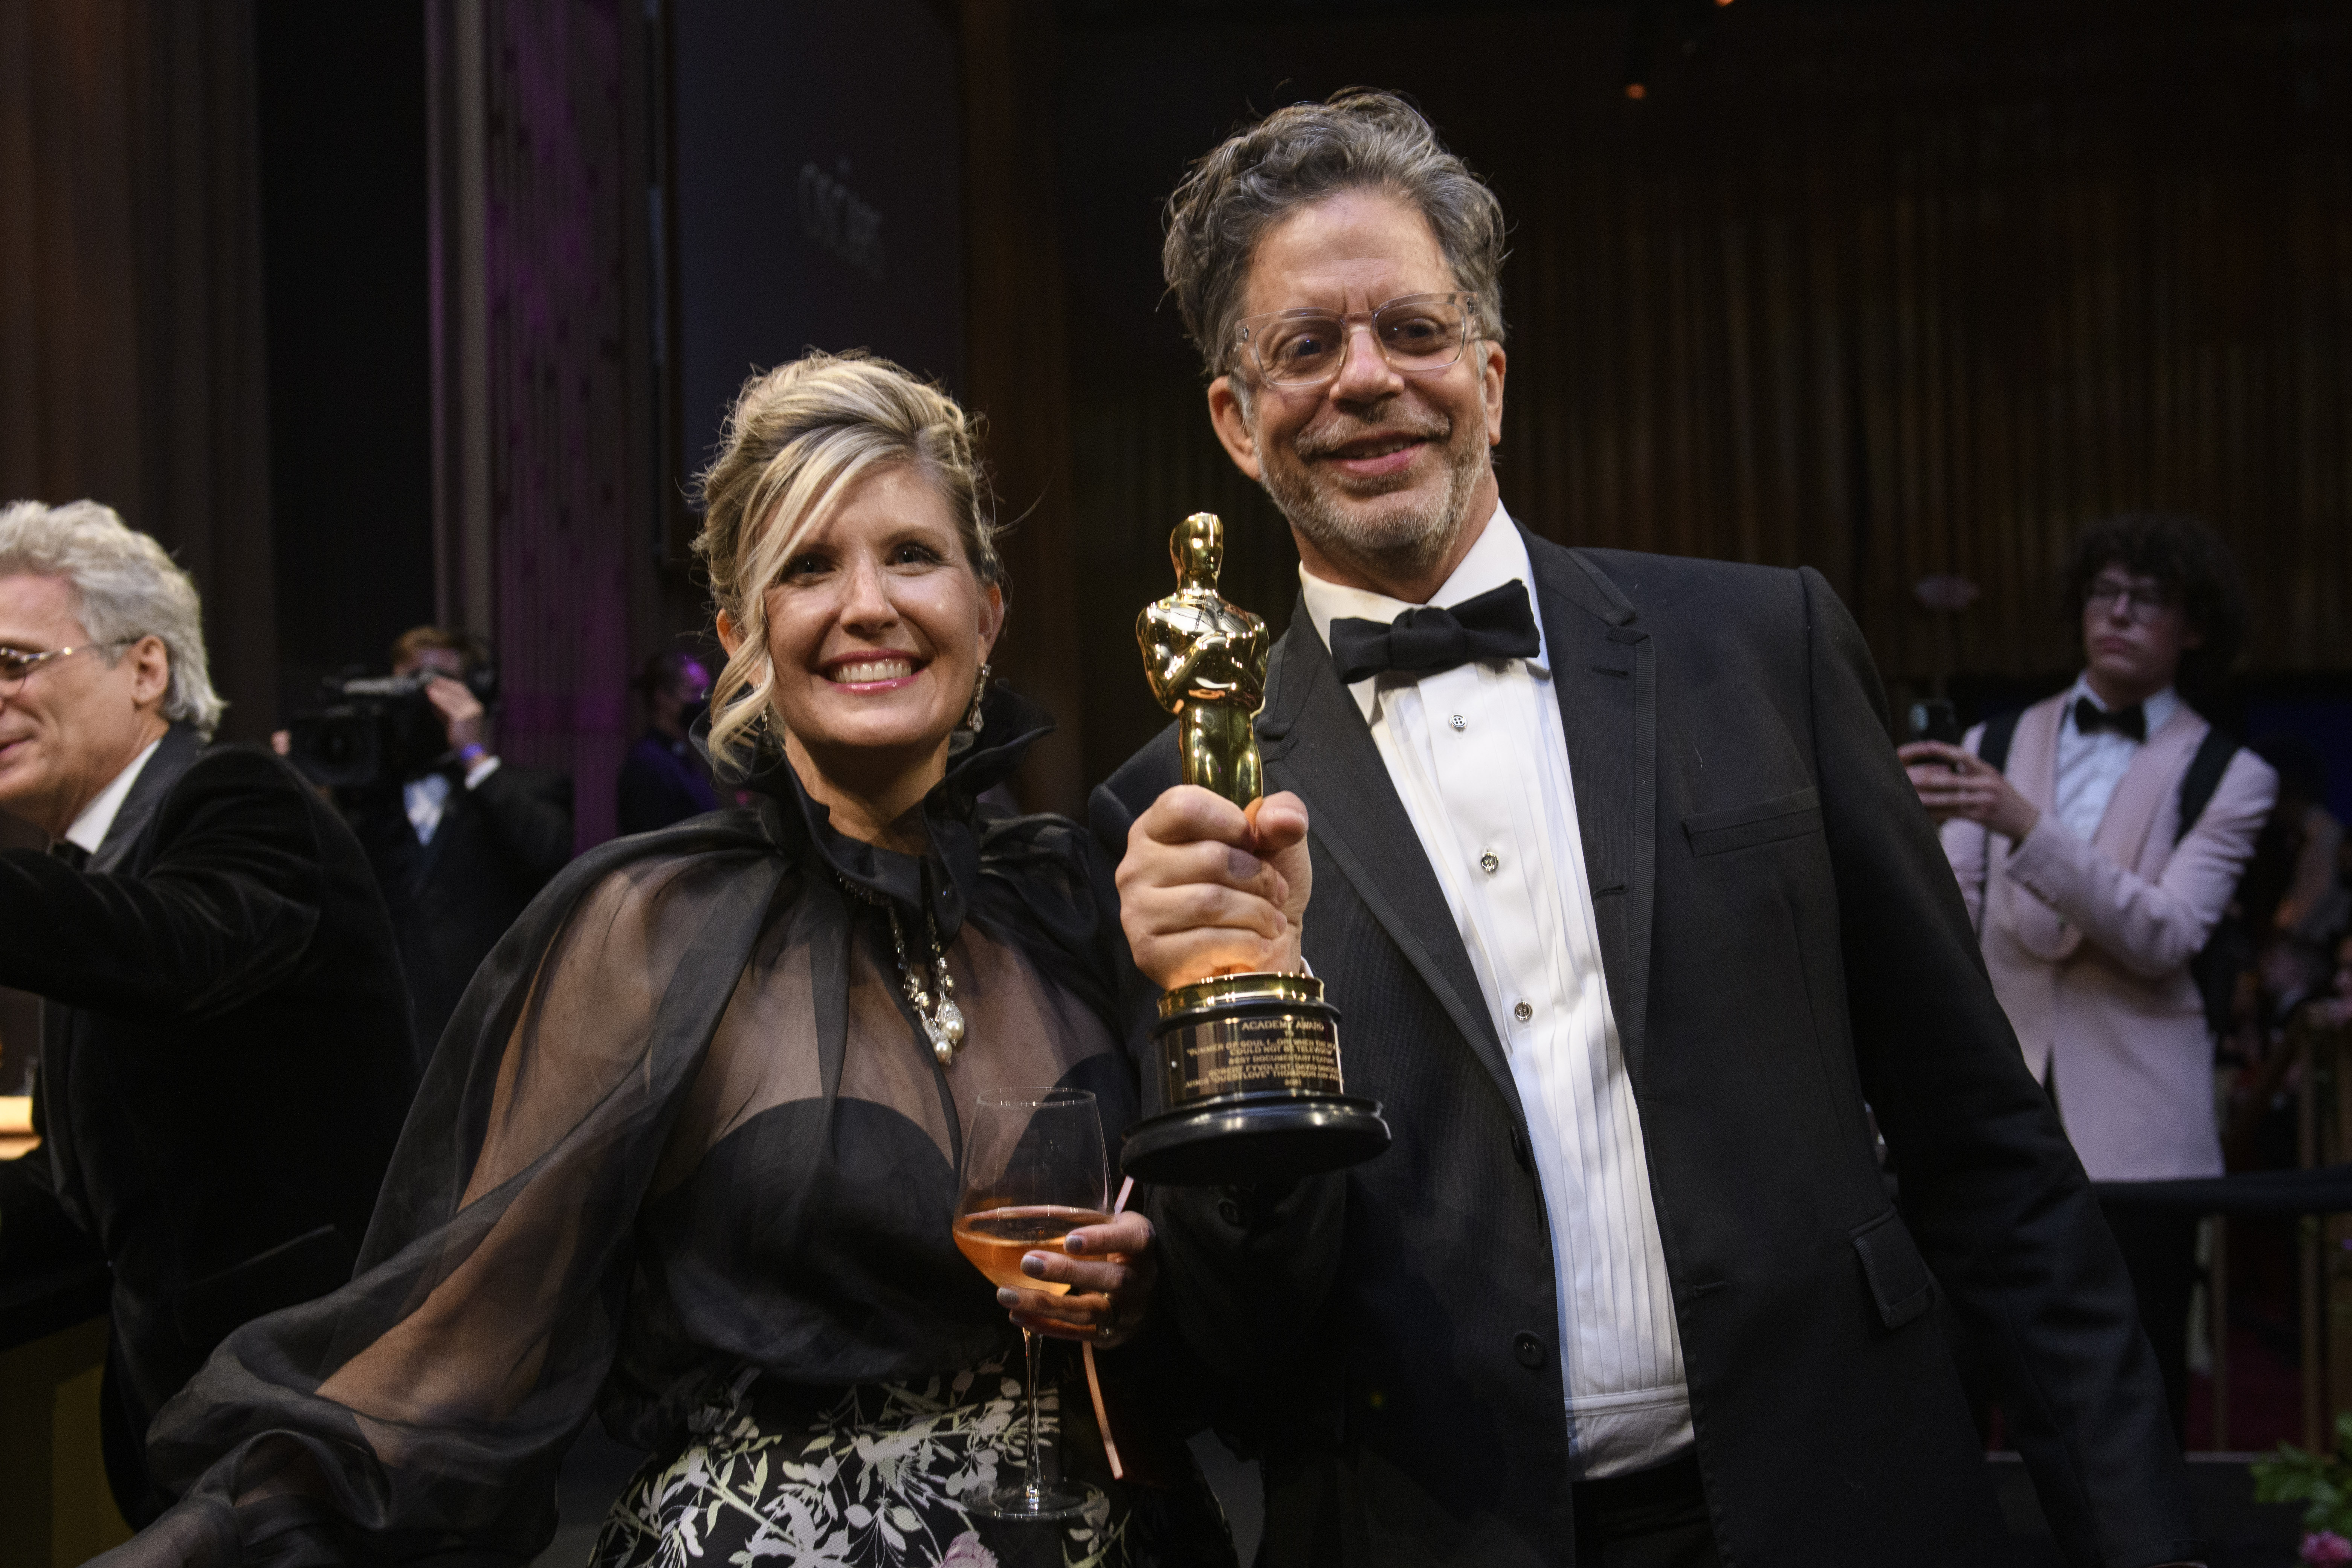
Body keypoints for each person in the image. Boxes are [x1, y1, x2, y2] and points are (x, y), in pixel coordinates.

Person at [1097, 91, 2201, 1566]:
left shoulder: (1763, 647)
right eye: (1305, 347)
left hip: (1847, 1503)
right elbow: (1235, 1349)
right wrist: (1228, 1011)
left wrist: (2140, 1540)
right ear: (1237, 423)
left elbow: (1985, 1150)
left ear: (1489, 375)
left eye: (1413, 330)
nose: (1366, 378)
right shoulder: (1173, 818)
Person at [98, 353, 1233, 1568]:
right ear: (742, 635)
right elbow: (452, 1346)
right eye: (807, 566)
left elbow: (1240, 1275)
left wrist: (1146, 1290)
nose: (867, 605)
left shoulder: (1070, 896)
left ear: (987, 610)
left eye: (911, 554)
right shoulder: (649, 925)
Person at [0, 500, 415, 1525]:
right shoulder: (91, 870)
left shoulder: (241, 795)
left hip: (312, 1436)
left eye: (14, 661)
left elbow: (176, 947)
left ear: (146, 668)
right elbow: (86, 1197)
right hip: (193, 1443)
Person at [1900, 514, 2279, 1443]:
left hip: (2140, 1127)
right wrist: (1900, 828)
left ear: (2193, 627)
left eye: (2147, 599)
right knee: (1954, 1369)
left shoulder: (2231, 773)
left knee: (2132, 1384)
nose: (2117, 614)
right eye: (2104, 593)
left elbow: (2165, 933)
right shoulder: (1995, 739)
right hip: (1995, 1100)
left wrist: (2025, 825)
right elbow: (1947, 915)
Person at [339, 626, 574, 1061]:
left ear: (474, 693)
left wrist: (473, 755)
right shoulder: (362, 804)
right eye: (406, 684)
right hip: (385, 1042)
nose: (419, 699)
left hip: (486, 1036)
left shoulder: (529, 788)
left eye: (435, 683)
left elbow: (547, 853)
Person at [616, 648, 722, 833]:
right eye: (695, 691)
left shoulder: (681, 755)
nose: (704, 702)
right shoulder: (646, 764)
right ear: (663, 697)